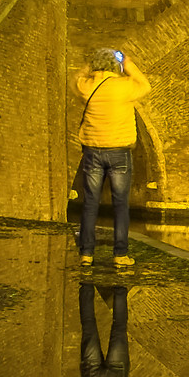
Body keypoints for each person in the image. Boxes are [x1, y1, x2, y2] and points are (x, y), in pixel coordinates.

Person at [72, 47, 150, 267]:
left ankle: (86, 254)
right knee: (120, 204)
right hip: (119, 152)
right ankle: (120, 255)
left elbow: (74, 79)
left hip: (93, 151)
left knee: (90, 203)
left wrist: (88, 67)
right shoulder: (125, 87)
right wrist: (128, 64)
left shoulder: (86, 86)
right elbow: (145, 85)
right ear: (116, 65)